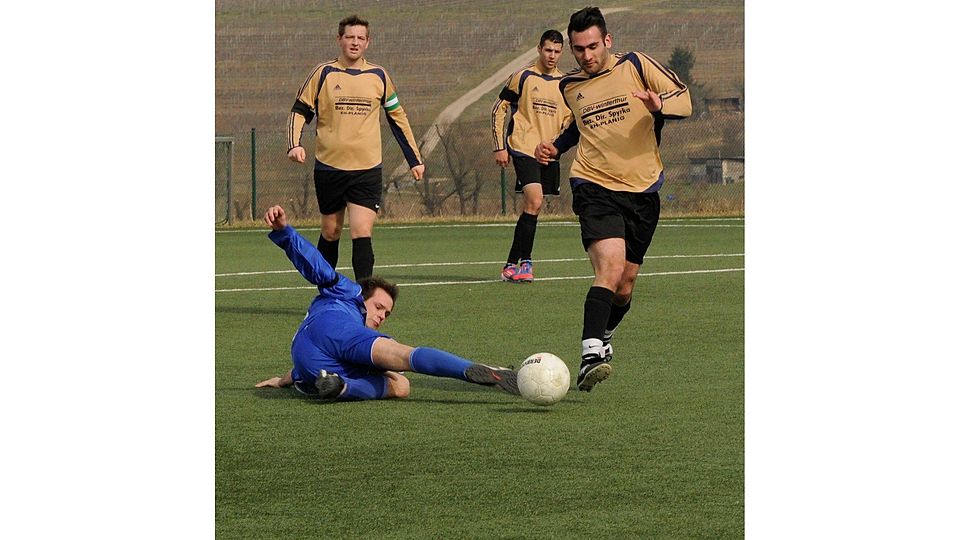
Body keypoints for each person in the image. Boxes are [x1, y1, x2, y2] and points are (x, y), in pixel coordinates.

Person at [534, 7, 692, 392]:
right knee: (610, 268)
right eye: (578, 49)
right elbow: (578, 126)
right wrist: (556, 146)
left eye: (592, 46)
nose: (586, 56)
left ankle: (604, 336)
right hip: (593, 185)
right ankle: (590, 353)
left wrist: (659, 106)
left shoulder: (637, 65)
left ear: (607, 40)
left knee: (625, 284)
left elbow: (684, 101)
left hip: (642, 190)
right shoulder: (569, 86)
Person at [254, 205, 519, 400]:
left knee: (401, 386)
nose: (381, 316)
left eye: (387, 314)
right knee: (404, 357)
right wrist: (286, 234)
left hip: (316, 367)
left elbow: (305, 361)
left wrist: (283, 379)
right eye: (379, 307)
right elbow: (317, 267)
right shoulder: (349, 293)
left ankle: (341, 387)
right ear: (362, 296)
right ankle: (476, 370)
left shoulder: (328, 320)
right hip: (336, 333)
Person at [286, 14, 425, 280]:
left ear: (368, 42)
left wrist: (414, 159)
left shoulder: (379, 75)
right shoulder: (323, 72)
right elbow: (299, 110)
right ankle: (327, 294)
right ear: (339, 39)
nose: (355, 42)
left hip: (367, 168)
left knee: (362, 231)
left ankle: (363, 298)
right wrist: (294, 144)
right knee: (331, 231)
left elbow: (398, 118)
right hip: (330, 167)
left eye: (360, 38)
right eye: (350, 37)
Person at [491, 30, 572, 283]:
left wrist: (557, 145)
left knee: (532, 208)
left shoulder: (566, 83)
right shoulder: (523, 76)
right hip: (523, 147)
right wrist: (499, 146)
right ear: (539, 49)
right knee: (535, 201)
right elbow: (498, 108)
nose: (552, 55)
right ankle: (526, 263)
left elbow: (571, 120)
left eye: (557, 51)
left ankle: (509, 265)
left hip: (548, 152)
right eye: (548, 50)